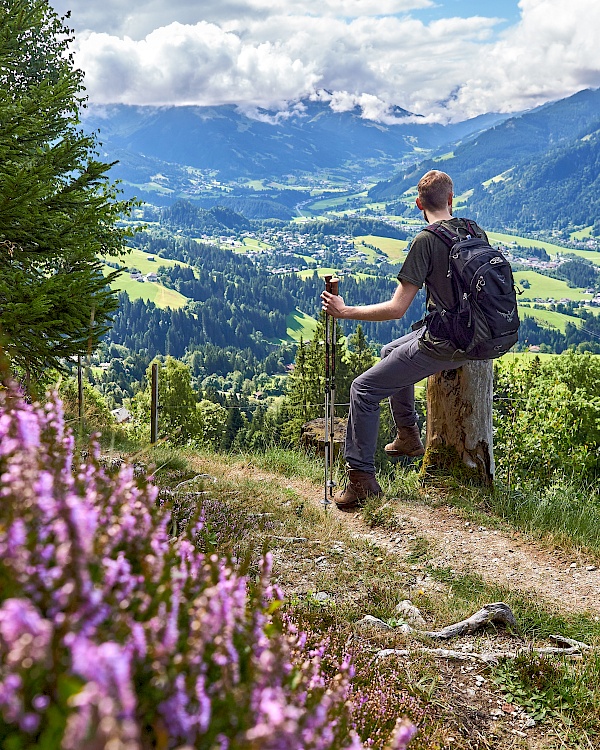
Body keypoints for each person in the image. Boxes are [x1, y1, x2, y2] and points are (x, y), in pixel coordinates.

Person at [320, 169, 488, 510]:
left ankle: (361, 480)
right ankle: (409, 436)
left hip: (446, 343)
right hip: (475, 335)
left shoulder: (426, 240)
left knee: (362, 390)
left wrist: (345, 310)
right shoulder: (473, 229)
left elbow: (398, 309)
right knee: (389, 351)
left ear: (418, 204)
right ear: (451, 200)